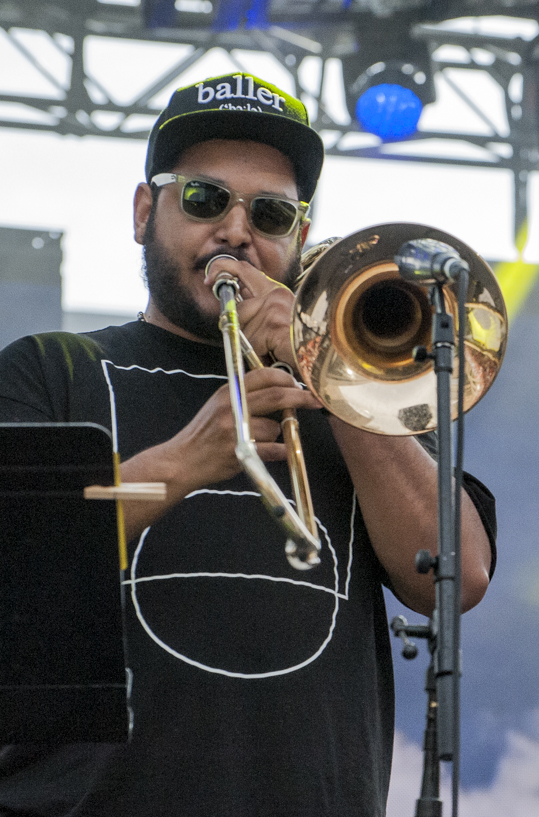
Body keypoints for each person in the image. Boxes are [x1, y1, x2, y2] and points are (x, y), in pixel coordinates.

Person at [0, 72, 497, 817]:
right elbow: (18, 557)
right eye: (204, 199)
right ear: (144, 212)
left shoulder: (357, 402)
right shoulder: (51, 368)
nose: (236, 231)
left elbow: (458, 575)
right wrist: (179, 462)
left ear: (299, 238)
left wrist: (332, 368)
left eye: (270, 213)